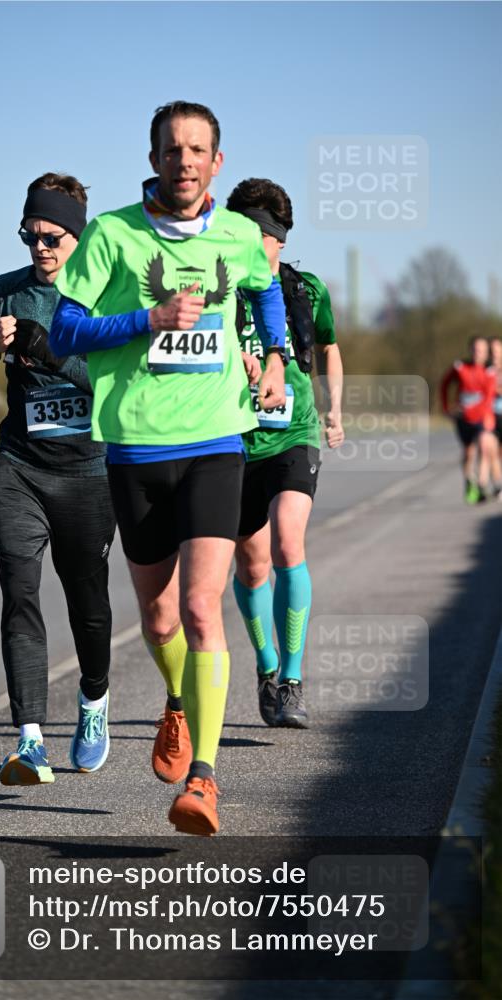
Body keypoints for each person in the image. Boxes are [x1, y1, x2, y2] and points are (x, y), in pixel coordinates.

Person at [49, 102, 286, 836]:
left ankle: (204, 780)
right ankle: (178, 701)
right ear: (153, 159)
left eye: (197, 149)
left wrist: (277, 355)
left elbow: (266, 287)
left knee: (200, 607)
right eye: (172, 149)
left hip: (216, 440)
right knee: (158, 617)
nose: (184, 161)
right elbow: (64, 330)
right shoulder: (111, 234)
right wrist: (144, 321)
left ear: (216, 162)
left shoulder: (238, 233)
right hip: (135, 446)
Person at [0, 173, 116, 784]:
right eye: (29, 235)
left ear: (77, 236)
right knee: (20, 592)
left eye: (52, 237)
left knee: (88, 603)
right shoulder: (5, 292)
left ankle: (94, 701)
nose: (39, 247)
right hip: (19, 468)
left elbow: (119, 387)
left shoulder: (105, 295)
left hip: (89, 473)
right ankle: (30, 741)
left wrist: (53, 354)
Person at [226, 178, 344, 729]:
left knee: (287, 542)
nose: (253, 246)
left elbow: (329, 347)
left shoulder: (307, 289)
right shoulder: (221, 293)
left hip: (294, 434)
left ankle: (292, 682)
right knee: (250, 564)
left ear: (280, 239)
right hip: (236, 440)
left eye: (262, 236)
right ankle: (267, 666)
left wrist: (333, 408)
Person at [440, 336, 497, 503]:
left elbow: (489, 396)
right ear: (470, 350)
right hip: (463, 418)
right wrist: (446, 407)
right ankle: (469, 481)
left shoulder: (489, 371)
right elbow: (444, 384)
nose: (478, 353)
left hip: (482, 418)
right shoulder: (460, 367)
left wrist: (485, 414)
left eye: (482, 350)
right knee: (469, 452)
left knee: (485, 445)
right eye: (475, 349)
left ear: (486, 353)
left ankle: (482, 483)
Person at [488, 336, 502, 499]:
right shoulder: (486, 369)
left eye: (497, 350)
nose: (495, 354)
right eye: (492, 351)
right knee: (492, 451)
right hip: (490, 415)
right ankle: (498, 486)